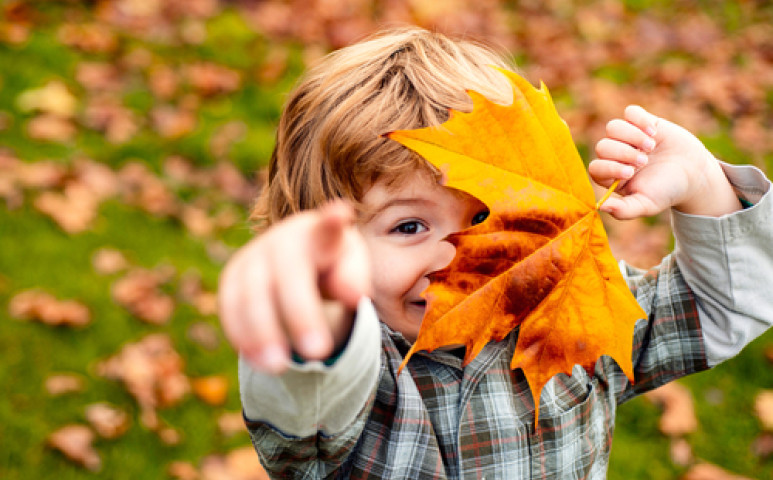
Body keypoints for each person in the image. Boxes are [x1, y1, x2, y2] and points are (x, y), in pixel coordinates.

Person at [218, 27, 773, 478]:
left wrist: (704, 184)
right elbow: (304, 397)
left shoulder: (571, 314)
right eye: (409, 226)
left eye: (486, 218)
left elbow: (722, 304)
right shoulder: (362, 384)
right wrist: (314, 317)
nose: (456, 256)